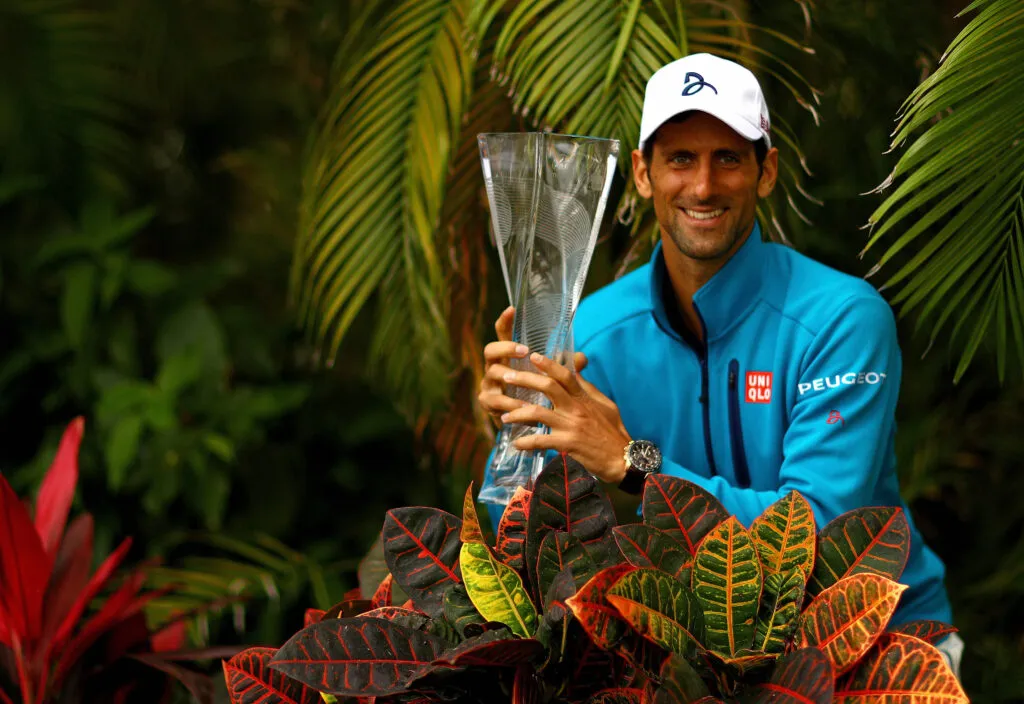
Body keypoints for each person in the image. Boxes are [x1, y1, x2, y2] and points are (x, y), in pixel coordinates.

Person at [476, 53, 962, 674]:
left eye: (727, 158)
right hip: (695, 660)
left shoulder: (843, 320)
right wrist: (519, 437)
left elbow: (814, 536)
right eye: (680, 158)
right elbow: (519, 533)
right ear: (644, 174)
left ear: (766, 172)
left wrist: (635, 463)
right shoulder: (593, 328)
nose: (703, 186)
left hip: (876, 649)